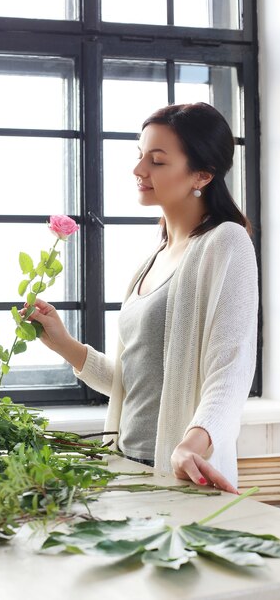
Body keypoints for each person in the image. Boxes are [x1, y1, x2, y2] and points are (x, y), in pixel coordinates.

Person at [26, 102, 258, 494]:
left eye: (158, 161)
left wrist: (192, 444)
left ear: (202, 174)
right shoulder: (152, 259)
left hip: (181, 473)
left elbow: (231, 367)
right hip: (125, 465)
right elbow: (134, 382)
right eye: (140, 156)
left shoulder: (226, 242)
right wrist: (64, 344)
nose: (139, 170)